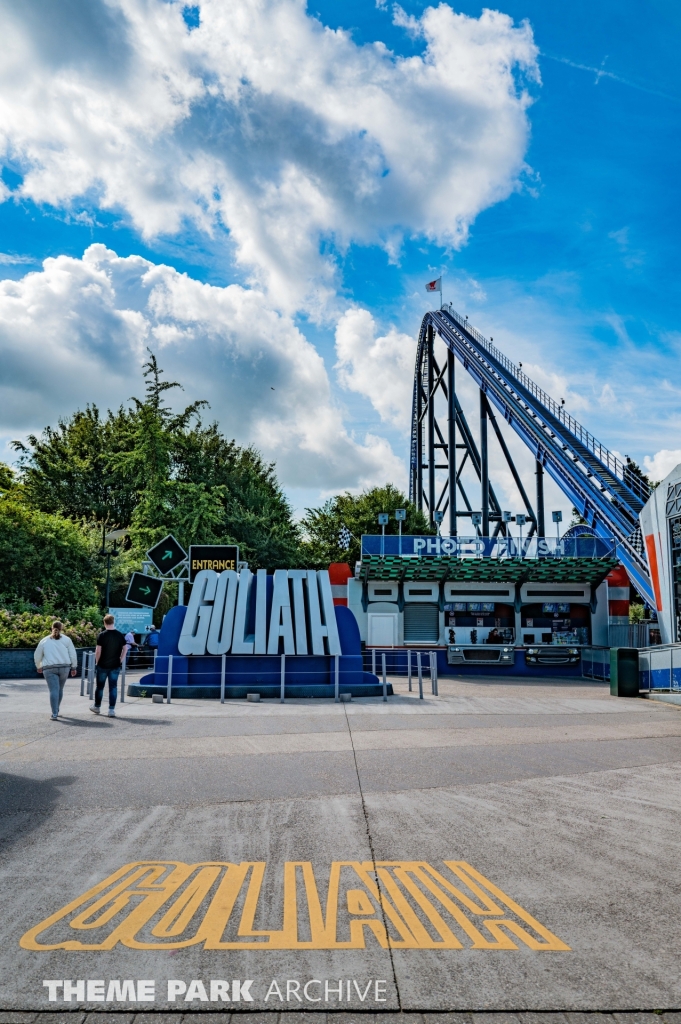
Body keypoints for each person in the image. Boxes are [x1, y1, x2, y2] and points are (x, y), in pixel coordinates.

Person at [34, 621, 78, 720]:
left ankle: (54, 713)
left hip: (49, 668)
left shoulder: (44, 640)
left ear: (51, 628)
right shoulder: (67, 640)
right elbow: (72, 654)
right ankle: (57, 709)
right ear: (61, 628)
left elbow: (37, 655)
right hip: (64, 668)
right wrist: (74, 667)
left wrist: (39, 666)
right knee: (60, 689)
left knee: (53, 690)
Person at [91, 613, 129, 718]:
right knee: (113, 687)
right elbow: (125, 648)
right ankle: (111, 710)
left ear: (104, 623)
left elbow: (98, 650)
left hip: (102, 665)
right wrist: (121, 659)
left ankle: (97, 707)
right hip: (115, 665)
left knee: (100, 687)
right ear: (113, 622)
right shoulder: (119, 635)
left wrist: (97, 662)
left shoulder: (102, 635)